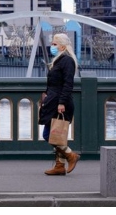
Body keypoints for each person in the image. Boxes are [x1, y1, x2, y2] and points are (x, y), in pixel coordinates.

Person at [38, 33, 80, 176]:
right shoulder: (59, 60)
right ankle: (60, 166)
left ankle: (70, 155)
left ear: (62, 46)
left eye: (55, 44)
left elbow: (68, 84)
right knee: (58, 136)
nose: (52, 46)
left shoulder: (67, 60)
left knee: (49, 134)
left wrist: (61, 102)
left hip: (60, 103)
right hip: (53, 101)